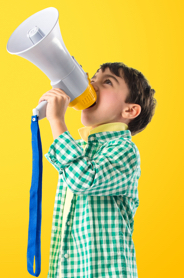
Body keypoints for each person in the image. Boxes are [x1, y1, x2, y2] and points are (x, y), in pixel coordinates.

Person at [38, 62, 157, 278]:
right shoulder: (83, 150)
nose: (93, 86)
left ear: (129, 110)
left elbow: (83, 180)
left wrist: (56, 120)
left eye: (107, 82)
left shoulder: (124, 151)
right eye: (92, 80)